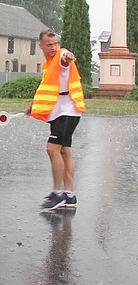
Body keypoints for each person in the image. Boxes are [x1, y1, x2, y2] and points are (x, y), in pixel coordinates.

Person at [26, 30, 85, 210]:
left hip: (68, 110)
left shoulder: (61, 56)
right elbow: (48, 87)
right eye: (49, 44)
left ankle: (57, 193)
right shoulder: (47, 63)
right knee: (64, 150)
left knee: (52, 149)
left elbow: (66, 58)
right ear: (41, 46)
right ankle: (70, 194)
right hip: (59, 111)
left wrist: (67, 55)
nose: (53, 47)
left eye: (55, 44)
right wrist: (34, 106)